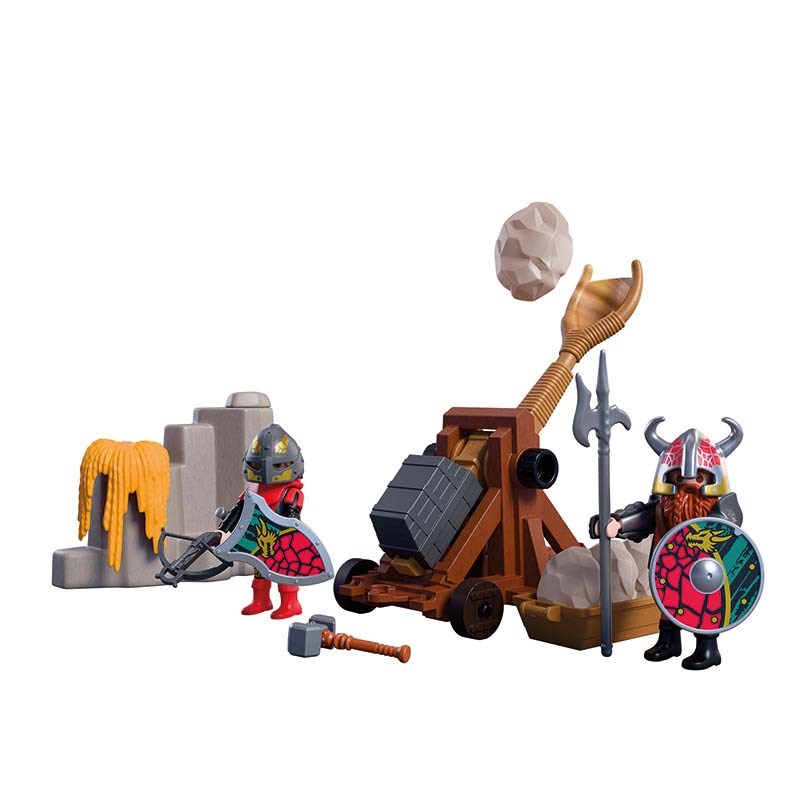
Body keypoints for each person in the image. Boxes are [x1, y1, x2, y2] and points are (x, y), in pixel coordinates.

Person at [591, 417, 743, 670]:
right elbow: (645, 516)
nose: (689, 484)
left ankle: (707, 649)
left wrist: (711, 528)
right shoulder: (665, 504)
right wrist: (618, 523)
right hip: (669, 566)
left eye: (699, 478)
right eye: (680, 478)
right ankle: (669, 642)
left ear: (713, 478)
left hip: (704, 568)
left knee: (704, 605)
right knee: (668, 601)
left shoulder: (720, 507)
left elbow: (728, 530)